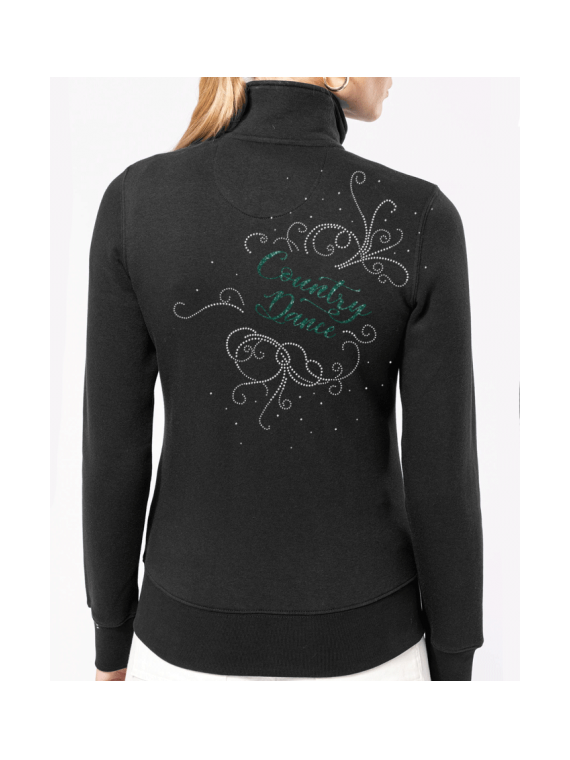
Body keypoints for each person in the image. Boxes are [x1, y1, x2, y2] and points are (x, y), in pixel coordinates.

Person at [83, 77, 483, 682]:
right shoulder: (419, 216)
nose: (394, 73)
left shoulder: (136, 201)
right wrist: (454, 668)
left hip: (176, 658)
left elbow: (112, 448)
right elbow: (443, 472)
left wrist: (111, 642)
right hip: (373, 662)